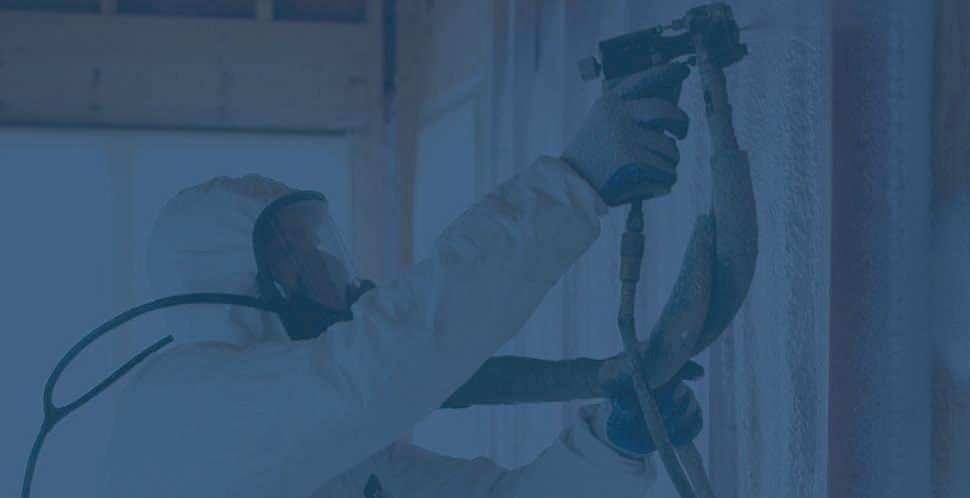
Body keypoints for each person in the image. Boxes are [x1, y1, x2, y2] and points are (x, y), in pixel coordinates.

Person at [102, 63, 703, 498]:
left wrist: (611, 446)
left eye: (319, 238)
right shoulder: (180, 408)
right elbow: (386, 360)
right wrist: (573, 185)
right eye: (298, 248)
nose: (328, 263)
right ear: (252, 279)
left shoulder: (344, 461)